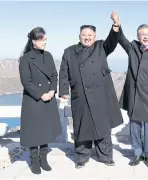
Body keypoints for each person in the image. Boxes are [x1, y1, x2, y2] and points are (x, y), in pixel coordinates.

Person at [58, 11, 123, 169]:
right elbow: (64, 72)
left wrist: (115, 25)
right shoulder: (69, 51)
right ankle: (81, 157)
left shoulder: (102, 46)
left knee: (103, 127)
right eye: (84, 35)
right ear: (79, 36)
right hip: (80, 94)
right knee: (81, 127)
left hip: (101, 95)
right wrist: (64, 91)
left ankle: (106, 156)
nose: (87, 37)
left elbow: (113, 40)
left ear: (95, 36)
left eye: (90, 35)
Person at [119, 24, 148, 167]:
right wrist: (117, 25)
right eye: (142, 34)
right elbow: (121, 38)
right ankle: (137, 154)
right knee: (134, 127)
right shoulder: (132, 48)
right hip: (134, 94)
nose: (145, 37)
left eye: (147, 34)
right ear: (138, 36)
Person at [19, 27, 62, 174]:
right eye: (42, 40)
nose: (45, 42)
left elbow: (54, 76)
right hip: (33, 100)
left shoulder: (48, 56)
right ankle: (34, 160)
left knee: (45, 130)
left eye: (45, 39)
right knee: (33, 132)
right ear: (34, 41)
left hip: (48, 98)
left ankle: (43, 159)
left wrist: (51, 90)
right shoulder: (25, 59)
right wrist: (40, 94)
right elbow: (26, 82)